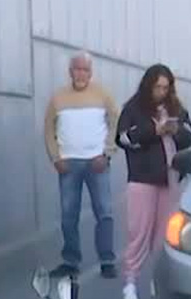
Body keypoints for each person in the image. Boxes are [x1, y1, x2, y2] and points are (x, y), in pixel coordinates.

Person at [115, 64, 191, 299]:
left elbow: (190, 136)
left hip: (169, 178)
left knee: (164, 236)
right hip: (142, 178)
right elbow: (124, 138)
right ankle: (130, 282)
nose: (162, 91)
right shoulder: (134, 108)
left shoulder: (175, 107)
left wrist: (175, 129)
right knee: (138, 232)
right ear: (148, 85)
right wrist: (154, 130)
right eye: (158, 87)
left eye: (166, 87)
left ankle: (157, 279)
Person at [43, 51, 120, 279]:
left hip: (97, 163)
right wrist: (56, 158)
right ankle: (70, 261)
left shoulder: (103, 94)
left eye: (85, 69)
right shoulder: (58, 98)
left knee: (104, 213)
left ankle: (107, 260)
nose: (81, 74)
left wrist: (106, 154)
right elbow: (48, 129)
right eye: (77, 69)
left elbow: (115, 122)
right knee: (68, 215)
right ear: (70, 72)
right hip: (68, 164)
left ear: (91, 72)